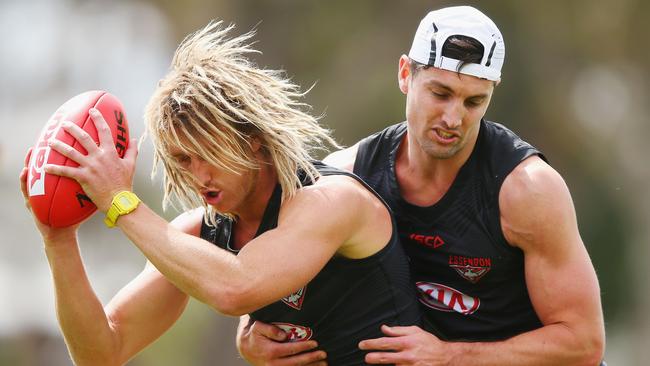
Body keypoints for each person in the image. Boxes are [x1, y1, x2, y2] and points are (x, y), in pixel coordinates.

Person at [19, 22, 422, 366]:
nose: (198, 175)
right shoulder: (199, 234)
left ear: (251, 141)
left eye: (208, 154)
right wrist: (58, 240)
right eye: (183, 160)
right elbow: (102, 352)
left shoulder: (330, 201)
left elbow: (235, 287)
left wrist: (120, 202)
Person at [237, 6, 606, 366]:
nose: (453, 118)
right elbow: (274, 264)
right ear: (404, 74)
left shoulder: (527, 190)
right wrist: (249, 335)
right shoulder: (349, 177)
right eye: (440, 93)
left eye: (474, 101)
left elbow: (583, 344)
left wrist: (450, 356)